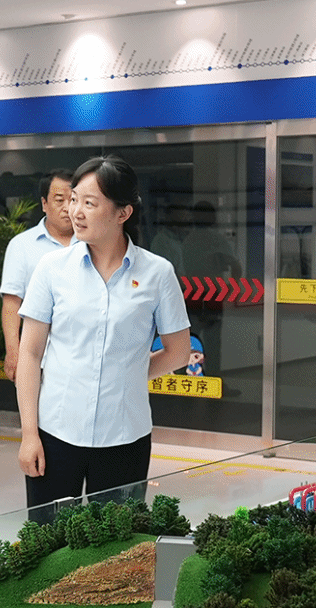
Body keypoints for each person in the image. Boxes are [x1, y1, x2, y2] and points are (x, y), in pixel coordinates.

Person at [16, 155, 191, 511]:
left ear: (123, 213)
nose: (75, 212)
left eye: (89, 203)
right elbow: (30, 354)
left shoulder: (157, 273)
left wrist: (126, 374)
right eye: (73, 199)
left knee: (117, 542)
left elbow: (178, 351)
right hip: (56, 433)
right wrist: (29, 434)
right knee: (50, 538)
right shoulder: (52, 268)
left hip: (125, 437)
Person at [0, 171, 75, 378]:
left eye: (73, 200)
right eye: (59, 200)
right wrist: (13, 351)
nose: (67, 207)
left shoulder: (93, 243)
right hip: (38, 358)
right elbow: (12, 303)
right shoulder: (22, 246)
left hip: (84, 359)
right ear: (44, 204)